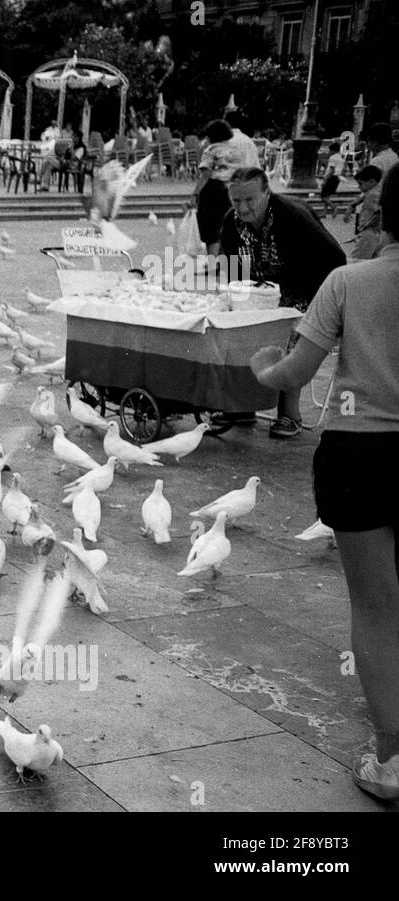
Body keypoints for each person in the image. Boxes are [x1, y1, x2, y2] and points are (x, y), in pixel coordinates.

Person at [248, 165, 399, 802]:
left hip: (359, 453)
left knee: (377, 609)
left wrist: (262, 368)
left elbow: (294, 373)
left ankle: (392, 760)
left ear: (382, 214)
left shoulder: (349, 282)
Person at [217, 167, 346, 438]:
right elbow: (231, 268)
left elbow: (335, 260)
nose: (242, 207)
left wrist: (297, 302)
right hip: (262, 292)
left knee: (290, 335)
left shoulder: (292, 217)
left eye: (249, 200)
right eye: (236, 200)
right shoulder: (231, 222)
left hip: (309, 291)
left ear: (266, 193)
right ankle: (243, 406)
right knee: (240, 330)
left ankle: (290, 414)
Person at [191, 119, 245, 255]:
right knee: (226, 225)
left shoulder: (212, 149)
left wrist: (195, 194)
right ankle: (224, 260)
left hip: (214, 190)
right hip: (233, 189)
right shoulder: (236, 150)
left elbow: (205, 175)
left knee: (211, 230)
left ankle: (212, 263)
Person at [350, 164, 384, 260]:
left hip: (369, 232)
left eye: (360, 184)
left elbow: (379, 213)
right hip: (378, 233)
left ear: (371, 181)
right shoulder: (378, 191)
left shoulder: (373, 195)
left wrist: (364, 229)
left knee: (357, 261)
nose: (359, 187)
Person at [320, 141, 344, 217]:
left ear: (333, 150)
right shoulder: (341, 158)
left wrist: (325, 180)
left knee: (323, 196)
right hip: (337, 178)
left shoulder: (333, 157)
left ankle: (333, 206)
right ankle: (324, 212)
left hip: (331, 178)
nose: (329, 152)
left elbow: (332, 170)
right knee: (327, 196)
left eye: (330, 150)